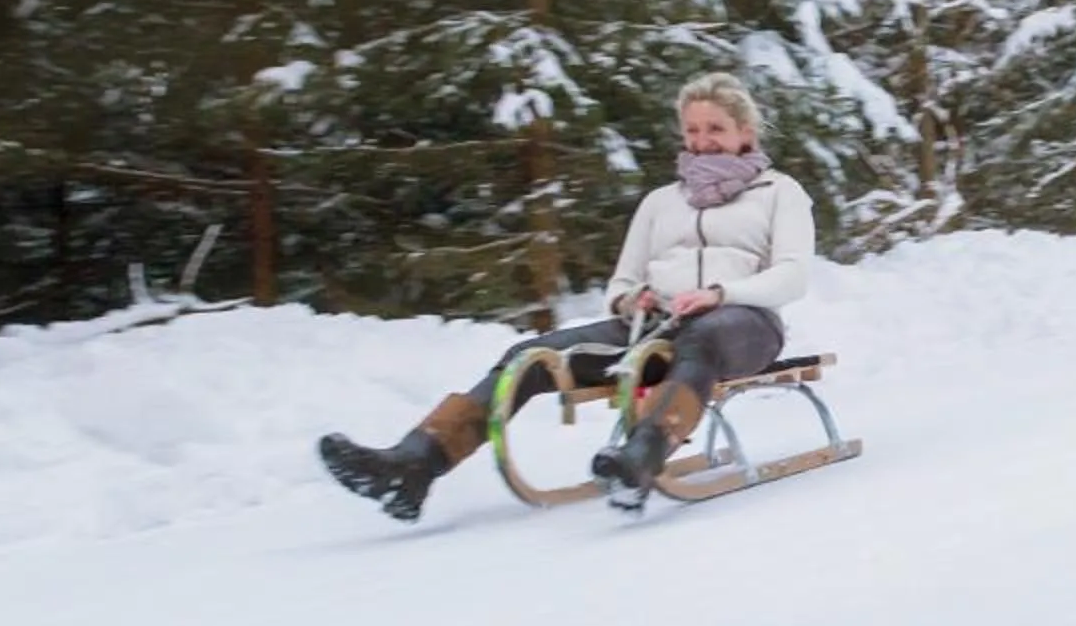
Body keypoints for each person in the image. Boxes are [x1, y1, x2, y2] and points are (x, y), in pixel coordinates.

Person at [317, 72, 814, 519]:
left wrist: (721, 293)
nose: (702, 142)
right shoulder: (660, 202)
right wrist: (632, 299)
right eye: (692, 130)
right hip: (653, 329)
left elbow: (793, 275)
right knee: (528, 357)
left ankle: (643, 456)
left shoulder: (779, 192)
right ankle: (414, 463)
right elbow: (622, 282)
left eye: (715, 129)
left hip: (743, 325)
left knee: (701, 340)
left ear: (744, 132)